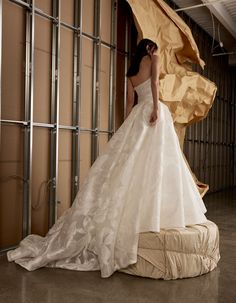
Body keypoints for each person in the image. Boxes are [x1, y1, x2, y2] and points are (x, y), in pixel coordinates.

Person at [7, 38, 208, 278]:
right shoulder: (153, 58)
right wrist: (156, 107)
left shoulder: (132, 71)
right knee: (158, 164)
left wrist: (128, 125)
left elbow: (130, 102)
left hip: (136, 116)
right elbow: (154, 82)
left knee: (136, 165)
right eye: (156, 49)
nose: (158, 53)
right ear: (149, 48)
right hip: (153, 111)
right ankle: (156, 214)